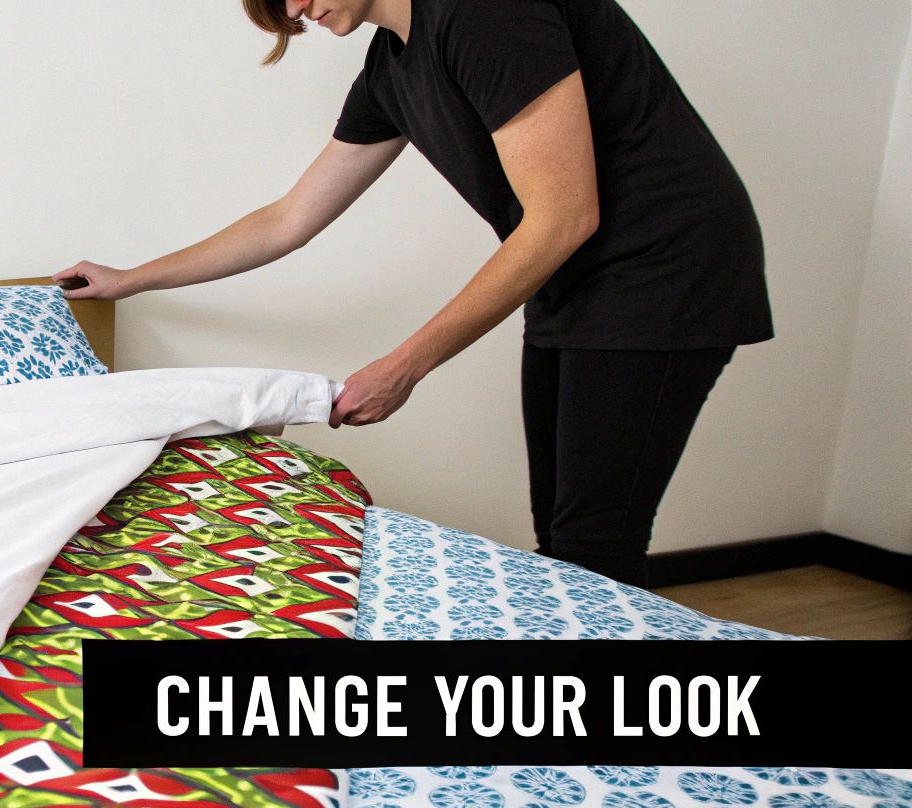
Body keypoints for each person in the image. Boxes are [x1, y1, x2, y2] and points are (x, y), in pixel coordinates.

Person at [55, 0, 772, 587]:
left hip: (668, 267)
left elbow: (563, 216)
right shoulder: (389, 72)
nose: (296, 10)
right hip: (576, 278)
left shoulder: (485, 13)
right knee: (562, 532)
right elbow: (286, 221)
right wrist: (131, 278)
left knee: (594, 540)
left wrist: (404, 366)